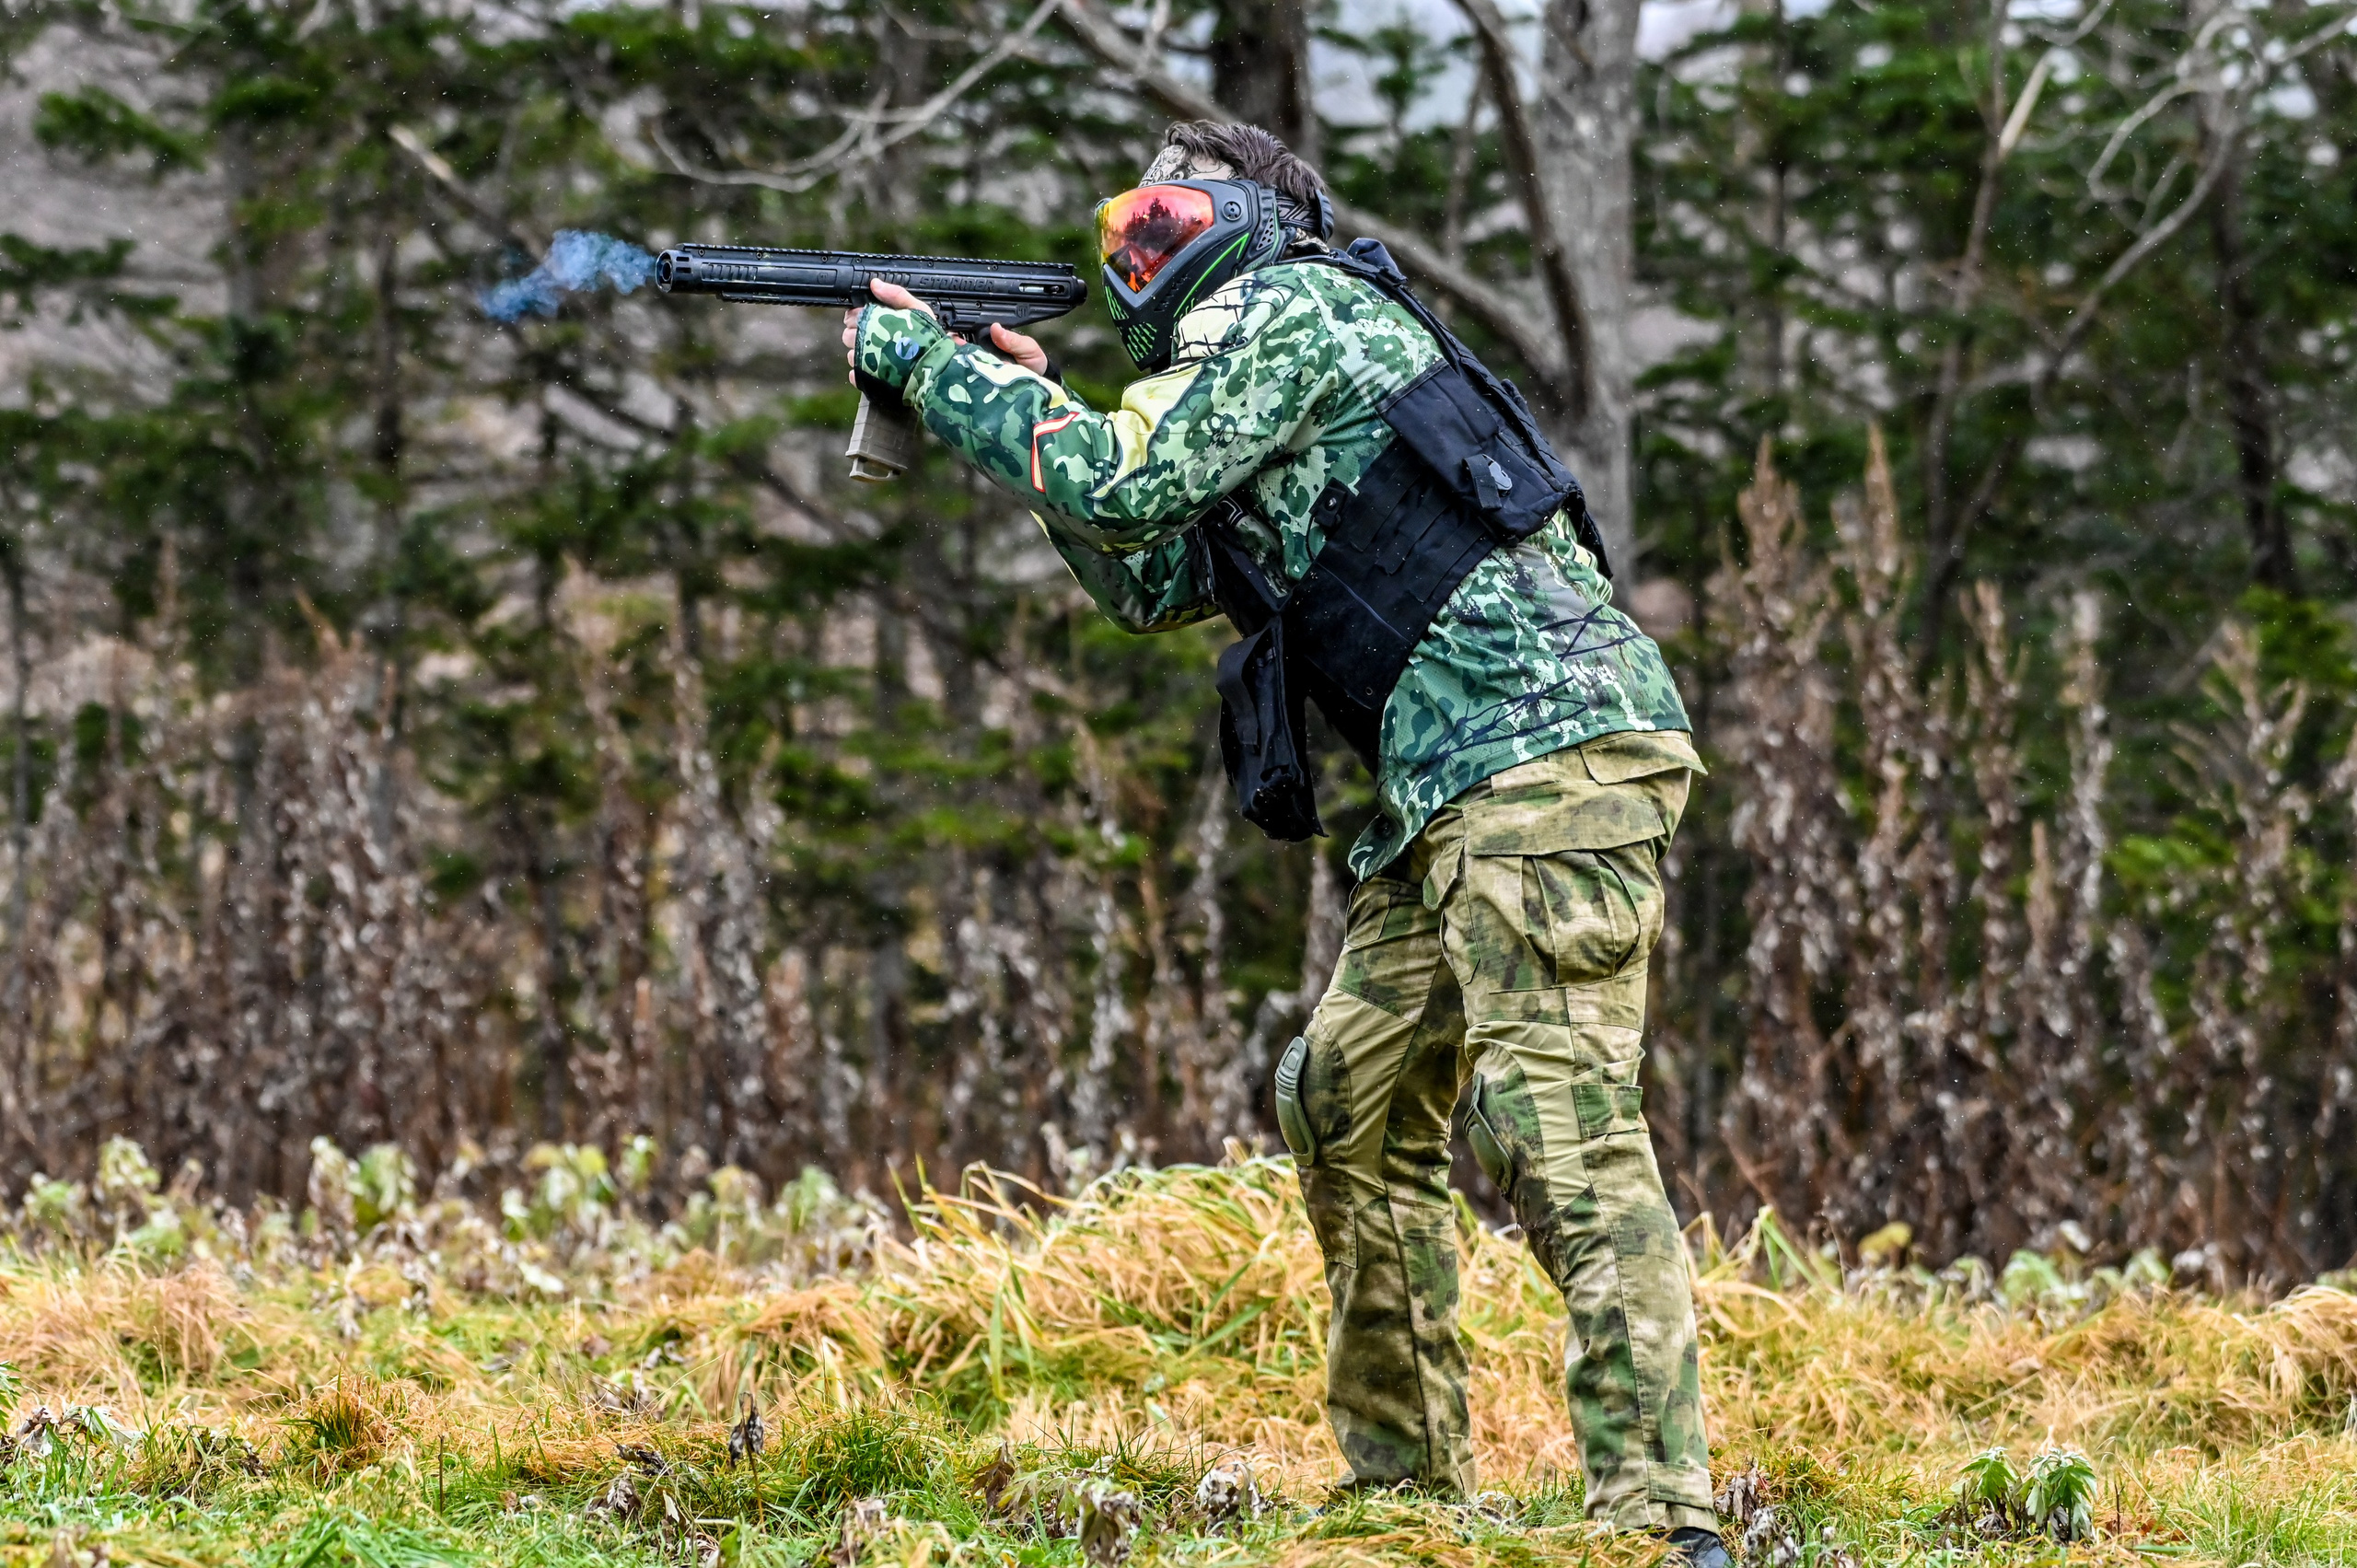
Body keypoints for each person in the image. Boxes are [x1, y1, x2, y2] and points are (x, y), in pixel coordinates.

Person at [842, 121, 1726, 1567]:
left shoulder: (1295, 303)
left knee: (1556, 1117)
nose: (1135, 221)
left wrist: (934, 373)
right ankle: (1408, 1495)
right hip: (1460, 782)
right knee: (1348, 1097)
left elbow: (1122, 481)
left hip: (1553, 756)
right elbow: (1151, 569)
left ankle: (1662, 1520)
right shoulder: (1249, 364)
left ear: (1236, 208)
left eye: (1163, 189)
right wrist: (1025, 397)